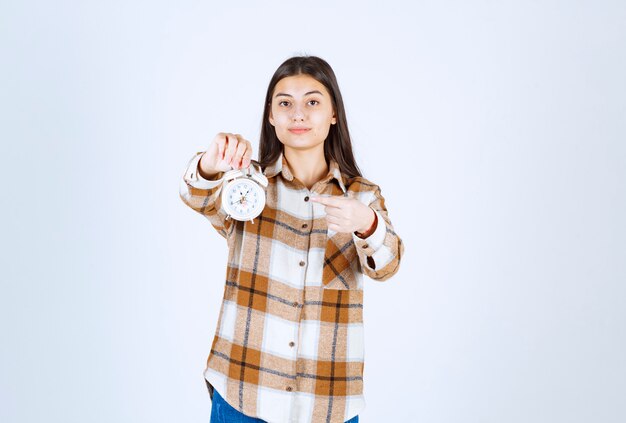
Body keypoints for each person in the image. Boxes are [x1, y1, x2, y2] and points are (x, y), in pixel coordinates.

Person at [179, 55, 404, 423]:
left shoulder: (362, 196)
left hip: (328, 402)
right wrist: (209, 163)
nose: (298, 114)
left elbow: (388, 266)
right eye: (285, 103)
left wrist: (367, 223)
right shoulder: (245, 183)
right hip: (242, 391)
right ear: (271, 115)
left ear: (333, 114)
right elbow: (197, 197)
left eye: (312, 102)